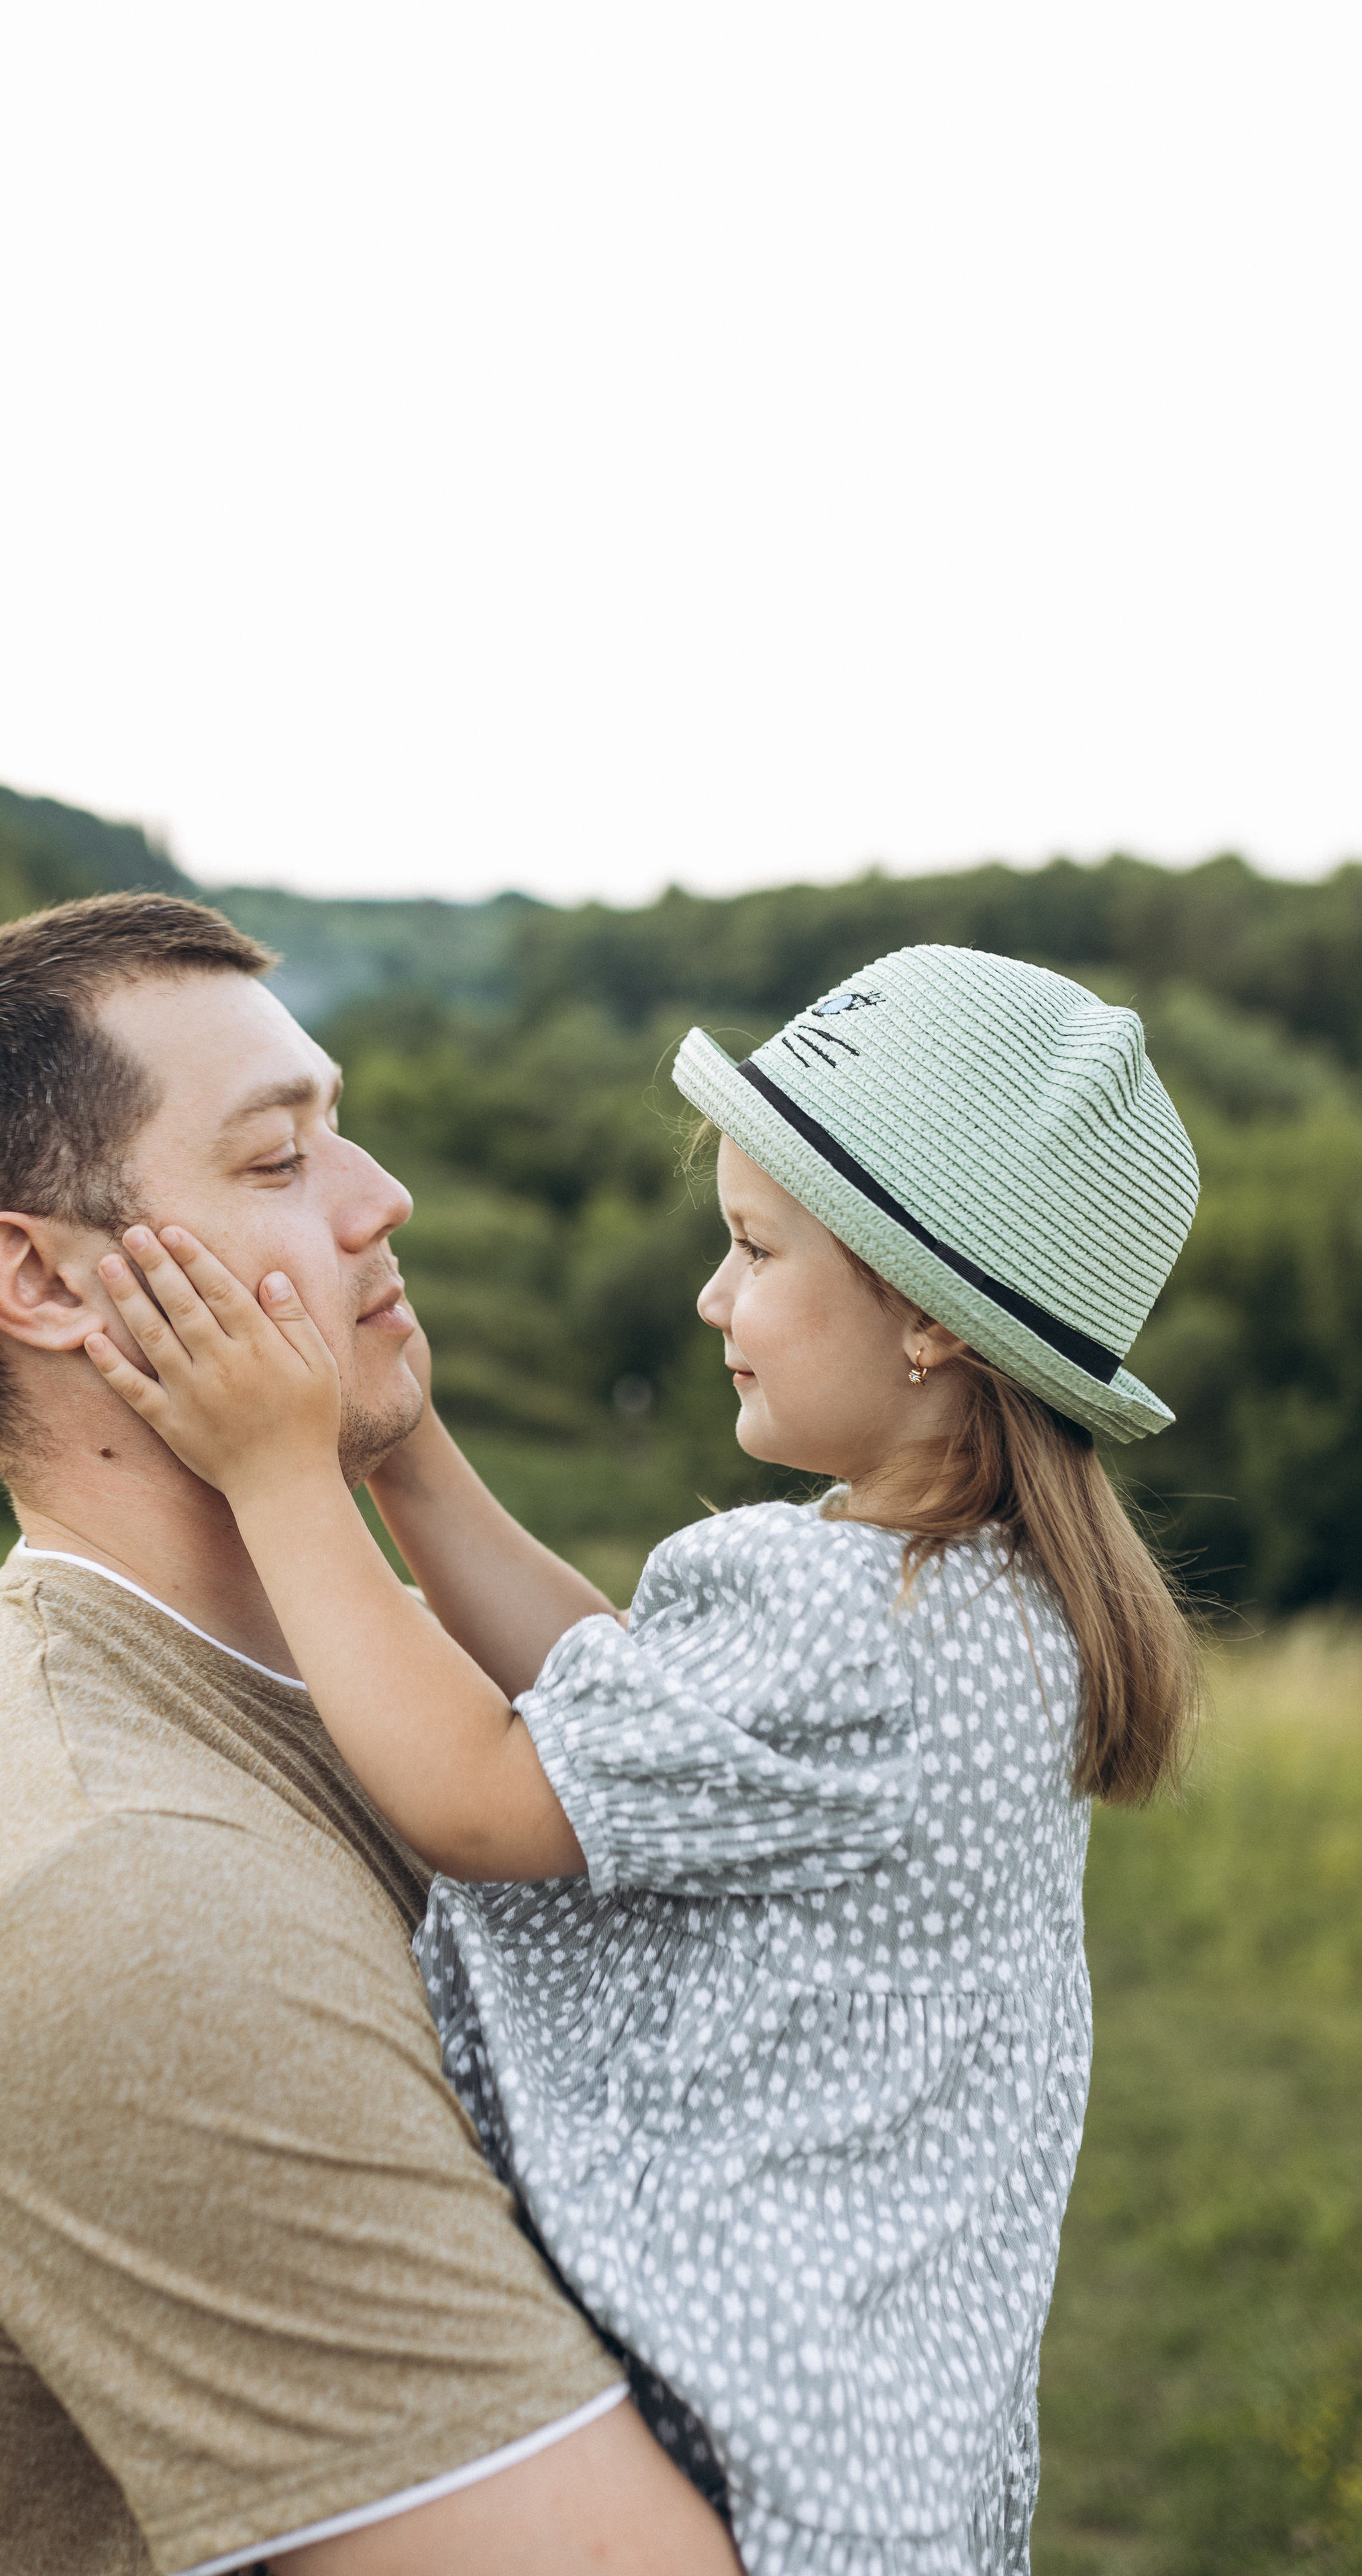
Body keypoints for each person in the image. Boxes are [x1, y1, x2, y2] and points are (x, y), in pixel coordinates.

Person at [82, 943, 1206, 2576]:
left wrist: (280, 1477)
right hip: (889, 2444)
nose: (711, 1296)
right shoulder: (970, 1596)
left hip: (753, 2442)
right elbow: (623, 1702)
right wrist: (402, 1454)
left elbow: (480, 1796)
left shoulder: (848, 1611)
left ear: (926, 1325)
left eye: (753, 1250)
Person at [0, 892, 741, 2576]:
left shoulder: (356, 1695)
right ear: (41, 1281)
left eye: (341, 1127)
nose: (382, 1198)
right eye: (273, 1160)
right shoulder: (116, 1899)